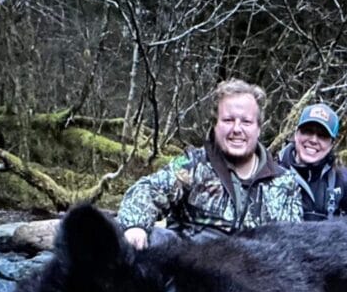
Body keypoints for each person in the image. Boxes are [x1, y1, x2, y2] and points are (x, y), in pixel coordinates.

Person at [117, 79, 301, 248]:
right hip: (194, 271)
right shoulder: (193, 164)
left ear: (259, 128)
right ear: (215, 125)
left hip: (256, 276)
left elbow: (293, 245)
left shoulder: (285, 183)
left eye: (246, 121)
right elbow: (146, 190)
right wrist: (135, 227)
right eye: (228, 120)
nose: (237, 129)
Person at [277, 102, 347, 221]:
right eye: (308, 131)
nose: (313, 140)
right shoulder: (271, 175)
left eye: (322, 135)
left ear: (332, 144)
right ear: (296, 135)